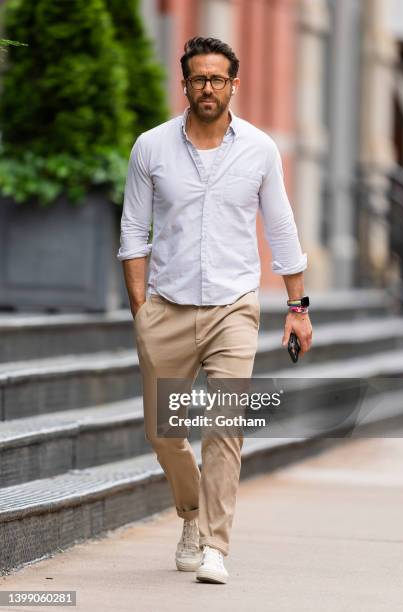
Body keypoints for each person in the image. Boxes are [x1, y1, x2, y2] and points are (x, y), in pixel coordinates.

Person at [117, 36, 313, 584]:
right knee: (166, 433)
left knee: (225, 425)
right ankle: (190, 512)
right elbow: (133, 232)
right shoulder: (151, 148)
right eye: (198, 79)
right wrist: (141, 309)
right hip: (168, 307)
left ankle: (214, 546)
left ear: (234, 84)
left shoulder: (259, 150)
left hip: (234, 306)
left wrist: (297, 306)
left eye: (218, 79)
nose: (208, 88)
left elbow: (281, 229)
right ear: (185, 85)